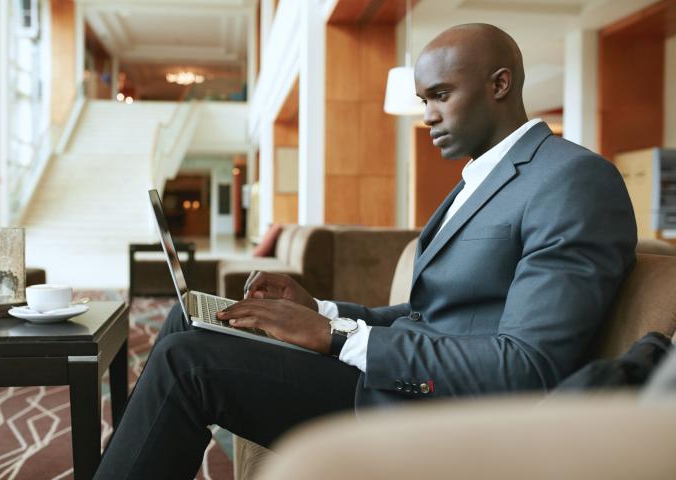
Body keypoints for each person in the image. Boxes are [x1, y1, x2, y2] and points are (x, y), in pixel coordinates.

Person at [95, 23, 636, 479]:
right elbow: (433, 315)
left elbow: (526, 368)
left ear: (501, 84)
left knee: (189, 362)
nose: (427, 116)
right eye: (424, 100)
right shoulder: (478, 180)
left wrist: (335, 338)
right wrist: (322, 311)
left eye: (441, 95)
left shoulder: (572, 180)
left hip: (441, 413)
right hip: (407, 381)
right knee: (191, 322)